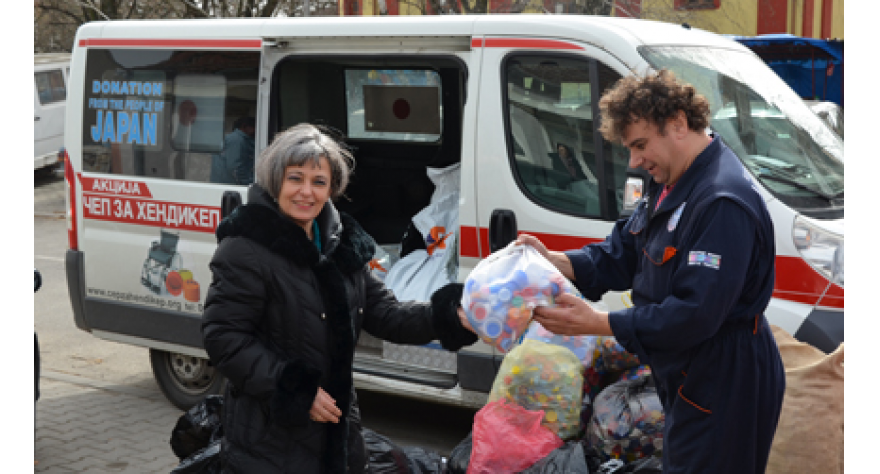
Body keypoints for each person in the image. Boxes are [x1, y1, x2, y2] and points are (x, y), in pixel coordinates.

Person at [518, 70, 785, 474]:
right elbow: (625, 249)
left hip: (725, 377)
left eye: (640, 145)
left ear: (678, 123)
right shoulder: (671, 182)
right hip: (690, 372)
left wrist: (600, 322)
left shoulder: (720, 201)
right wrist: (560, 262)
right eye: (629, 148)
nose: (634, 160)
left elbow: (696, 312)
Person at [201, 123, 477, 474]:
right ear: (275, 181)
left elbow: (386, 313)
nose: (306, 192)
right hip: (269, 441)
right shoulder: (245, 249)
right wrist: (297, 390)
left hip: (337, 433)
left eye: (318, 182)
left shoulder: (341, 244)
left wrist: (451, 316)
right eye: (295, 178)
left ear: (332, 188)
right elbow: (224, 338)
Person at [210, 116, 256, 185]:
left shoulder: (239, 139)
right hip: (230, 186)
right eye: (254, 127)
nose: (257, 131)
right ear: (244, 126)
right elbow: (235, 168)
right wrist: (248, 183)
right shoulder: (236, 140)